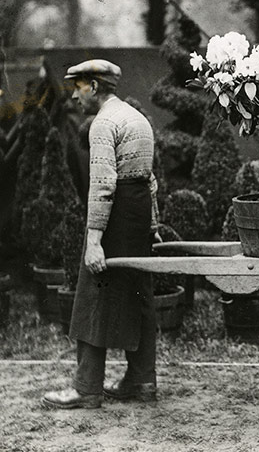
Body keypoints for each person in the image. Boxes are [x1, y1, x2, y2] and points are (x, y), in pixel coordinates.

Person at [42, 59, 160, 409]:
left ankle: (86, 387)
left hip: (116, 216)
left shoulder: (103, 123)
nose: (75, 97)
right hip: (136, 215)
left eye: (78, 88)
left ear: (93, 87)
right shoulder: (137, 118)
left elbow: (104, 185)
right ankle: (142, 381)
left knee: (92, 296)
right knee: (138, 294)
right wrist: (152, 225)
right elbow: (149, 181)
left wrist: (93, 242)